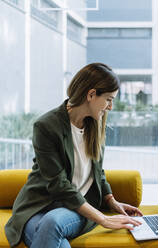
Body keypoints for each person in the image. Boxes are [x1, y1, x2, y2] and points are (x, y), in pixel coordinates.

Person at [5, 63, 143, 248]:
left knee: (51, 224)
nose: (110, 107)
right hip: (38, 205)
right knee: (51, 234)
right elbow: (58, 184)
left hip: (78, 205)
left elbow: (97, 171)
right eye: (109, 99)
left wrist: (111, 200)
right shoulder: (46, 126)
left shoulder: (97, 123)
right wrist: (103, 219)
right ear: (91, 94)